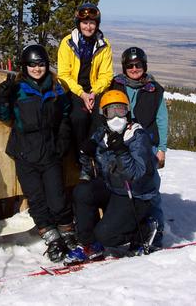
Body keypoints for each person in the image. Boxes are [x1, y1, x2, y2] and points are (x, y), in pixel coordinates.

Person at [0, 45, 76, 262]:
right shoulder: (18, 88)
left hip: (50, 150)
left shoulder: (57, 87)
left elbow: (66, 114)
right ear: (25, 66)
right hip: (25, 152)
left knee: (57, 198)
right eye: (32, 64)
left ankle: (68, 232)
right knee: (37, 199)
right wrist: (3, 97)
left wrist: (62, 141)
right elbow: (3, 115)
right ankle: (51, 236)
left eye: (41, 64)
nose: (37, 68)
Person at [65, 90, 161, 265]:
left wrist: (122, 151)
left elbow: (137, 174)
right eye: (111, 112)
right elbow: (88, 166)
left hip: (135, 193)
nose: (117, 117)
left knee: (106, 236)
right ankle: (89, 244)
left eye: (121, 111)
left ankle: (145, 230)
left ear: (128, 112)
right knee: (82, 191)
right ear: (103, 115)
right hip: (113, 187)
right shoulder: (103, 134)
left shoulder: (137, 136)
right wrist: (85, 153)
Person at [108, 46, 167, 248]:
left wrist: (162, 149)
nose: (134, 69)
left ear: (144, 66)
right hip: (120, 142)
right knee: (121, 187)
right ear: (124, 67)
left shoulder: (154, 89)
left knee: (150, 188)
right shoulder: (115, 84)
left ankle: (156, 229)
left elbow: (162, 120)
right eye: (130, 65)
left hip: (146, 144)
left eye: (138, 65)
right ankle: (132, 226)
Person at [57, 2, 113, 178]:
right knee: (78, 117)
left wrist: (93, 93)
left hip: (95, 89)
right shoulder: (67, 43)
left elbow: (106, 74)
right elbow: (64, 74)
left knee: (99, 117)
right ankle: (81, 157)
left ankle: (92, 154)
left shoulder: (104, 45)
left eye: (92, 23)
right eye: (84, 22)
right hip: (74, 89)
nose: (88, 26)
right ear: (78, 24)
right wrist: (82, 93)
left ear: (97, 24)